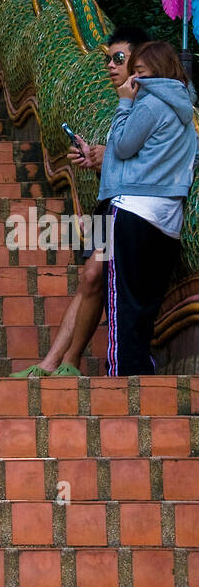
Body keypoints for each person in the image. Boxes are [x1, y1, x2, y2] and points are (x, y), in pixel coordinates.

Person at [13, 26, 151, 379]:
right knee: (90, 279)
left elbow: (152, 161)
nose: (110, 65)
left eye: (119, 59)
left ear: (140, 61)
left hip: (136, 211)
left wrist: (109, 158)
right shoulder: (123, 104)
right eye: (108, 58)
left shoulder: (150, 104)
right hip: (114, 205)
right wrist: (95, 159)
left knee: (92, 274)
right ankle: (55, 362)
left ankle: (69, 361)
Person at [98, 41, 197, 376]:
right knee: (147, 303)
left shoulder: (149, 102)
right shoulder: (186, 108)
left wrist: (125, 103)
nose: (132, 80)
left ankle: (122, 375)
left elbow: (124, 146)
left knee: (123, 299)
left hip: (133, 209)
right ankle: (141, 371)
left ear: (155, 72)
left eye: (138, 72)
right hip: (168, 219)